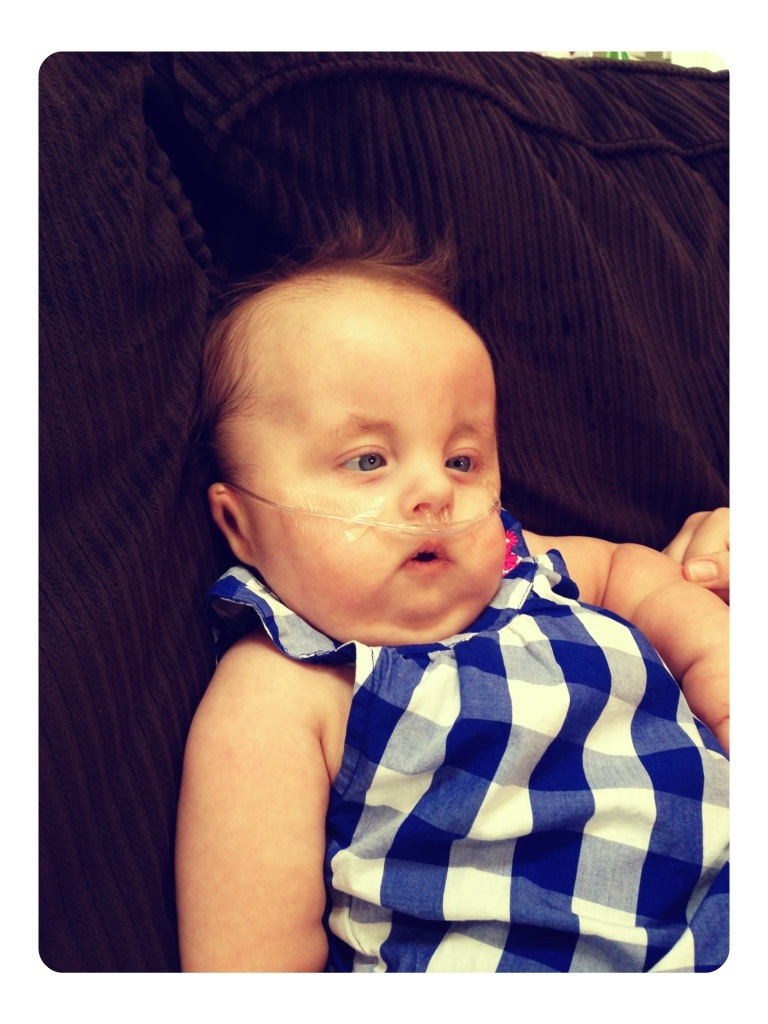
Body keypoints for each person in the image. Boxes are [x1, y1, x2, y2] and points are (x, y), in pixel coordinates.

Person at [175, 235, 729, 973]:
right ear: (240, 524)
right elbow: (248, 968)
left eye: (462, 460)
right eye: (368, 460)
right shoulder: (282, 692)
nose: (436, 490)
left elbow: (642, 576)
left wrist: (722, 681)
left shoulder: (524, 564)